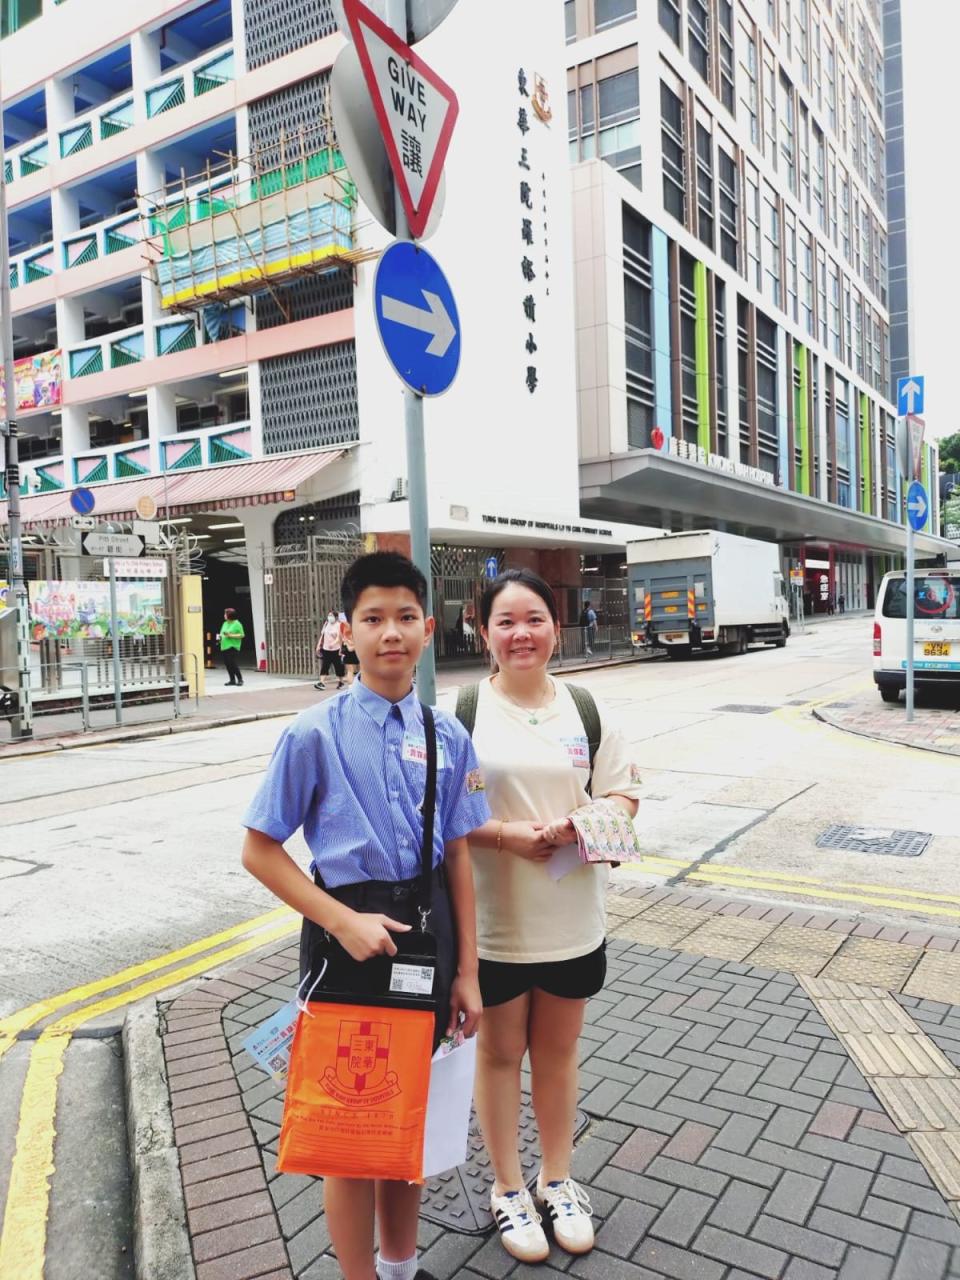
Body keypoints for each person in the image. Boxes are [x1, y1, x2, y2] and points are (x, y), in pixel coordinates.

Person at [241, 552, 490, 1280]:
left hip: (426, 935)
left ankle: (400, 1269)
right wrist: (341, 922)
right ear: (345, 631)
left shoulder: (448, 736)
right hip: (344, 937)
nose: (391, 633)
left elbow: (459, 859)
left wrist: (469, 972)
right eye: (373, 619)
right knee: (348, 1132)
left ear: (428, 629)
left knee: (408, 1118)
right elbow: (260, 851)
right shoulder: (312, 732)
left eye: (406, 617)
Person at [455, 569, 642, 1263]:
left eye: (534, 619)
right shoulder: (464, 713)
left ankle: (557, 1179)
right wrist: (507, 836)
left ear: (556, 628)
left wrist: (579, 824)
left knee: (559, 1054)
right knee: (501, 1055)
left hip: (572, 919)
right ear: (484, 633)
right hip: (494, 926)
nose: (521, 634)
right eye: (505, 622)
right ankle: (508, 1187)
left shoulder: (587, 710)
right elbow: (441, 816)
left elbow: (623, 796)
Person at [315, 609, 345, 690]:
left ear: (336, 617)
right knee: (325, 665)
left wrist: (333, 643)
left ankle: (341, 681)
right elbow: (322, 635)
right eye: (329, 615)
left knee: (338, 667)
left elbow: (339, 637)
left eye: (331, 615)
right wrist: (318, 645)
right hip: (326, 649)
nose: (329, 617)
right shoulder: (326, 624)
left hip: (336, 650)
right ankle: (321, 683)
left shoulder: (339, 625)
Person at [218, 607, 245, 686]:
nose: (224, 615)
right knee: (227, 664)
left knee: (232, 663)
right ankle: (232, 680)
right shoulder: (225, 623)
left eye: (225, 614)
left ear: (230, 615)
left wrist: (231, 635)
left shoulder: (237, 624)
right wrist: (219, 638)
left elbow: (242, 635)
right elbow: (221, 633)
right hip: (224, 646)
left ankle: (240, 679)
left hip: (233, 646)